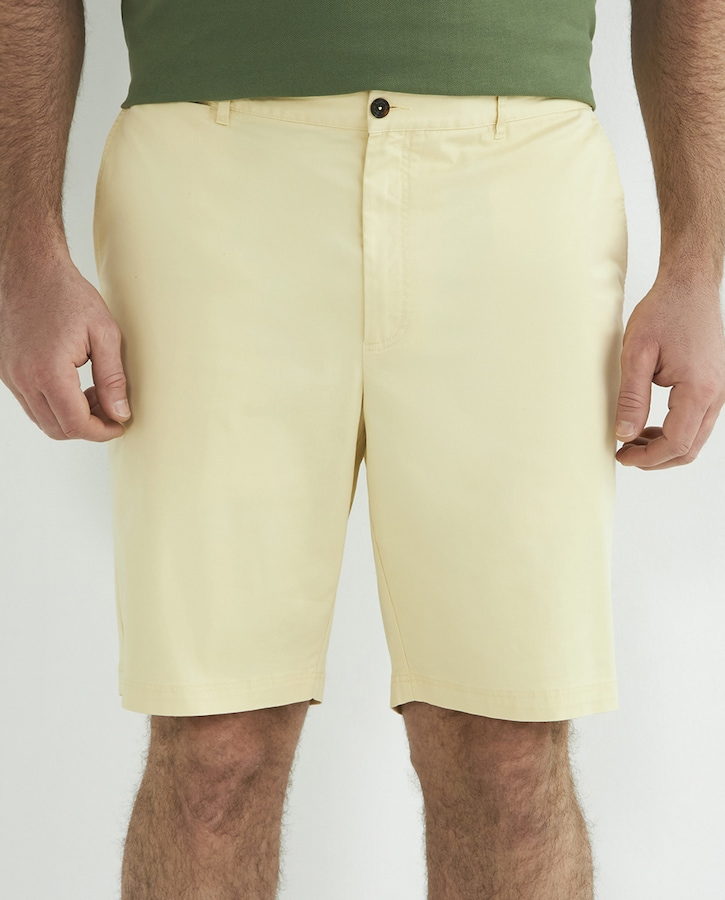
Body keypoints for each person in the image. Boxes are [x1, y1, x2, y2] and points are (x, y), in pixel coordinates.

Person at [1, 1, 724, 897]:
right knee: (212, 749)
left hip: (518, 172)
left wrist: (696, 263)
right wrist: (25, 254)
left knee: (508, 748)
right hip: (205, 173)